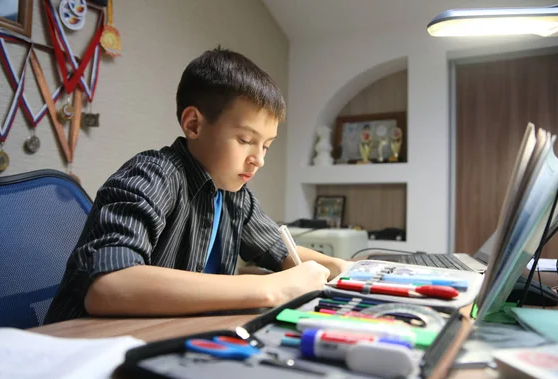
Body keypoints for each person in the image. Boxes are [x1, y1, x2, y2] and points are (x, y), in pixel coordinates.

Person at [44, 47, 349, 324]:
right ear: (193, 124)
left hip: (173, 341)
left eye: (266, 146)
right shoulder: (153, 175)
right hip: (88, 353)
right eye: (245, 140)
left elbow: (283, 251)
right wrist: (269, 288)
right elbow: (107, 285)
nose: (259, 160)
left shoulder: (235, 196)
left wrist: (341, 268)